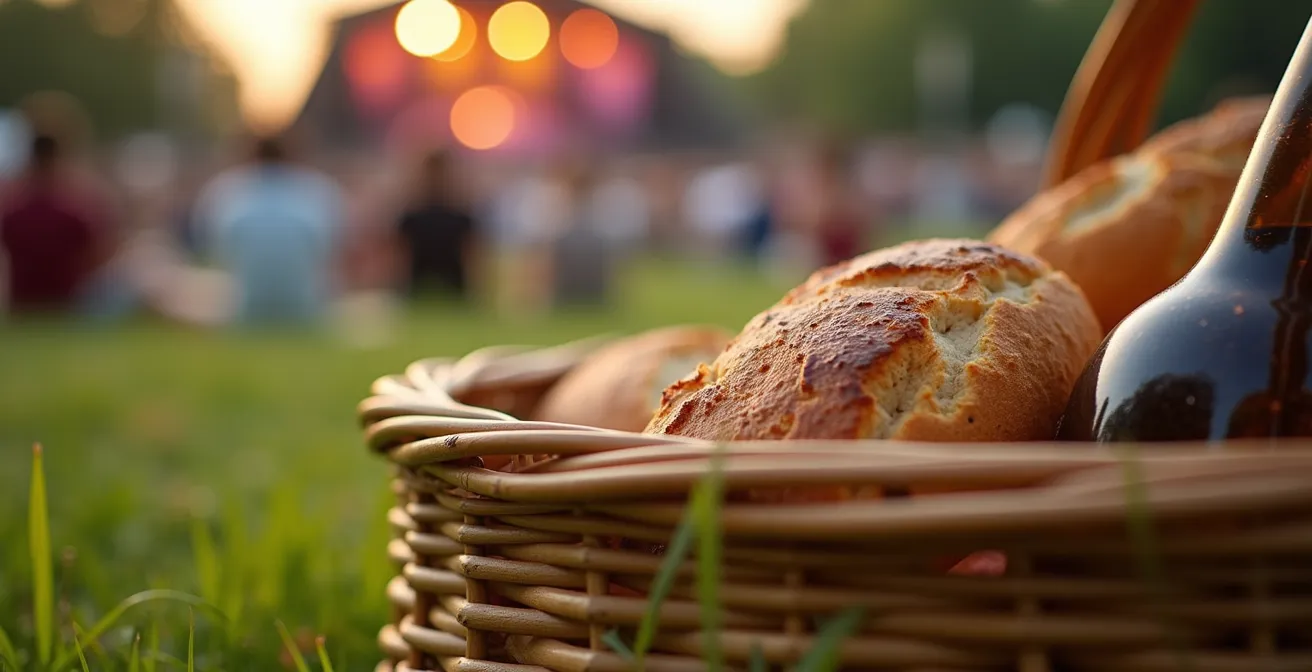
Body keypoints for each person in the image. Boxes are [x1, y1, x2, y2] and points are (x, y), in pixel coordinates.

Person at [192, 135, 344, 327]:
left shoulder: (226, 190)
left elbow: (215, 252)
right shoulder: (318, 190)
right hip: (307, 308)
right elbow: (331, 252)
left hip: (243, 309)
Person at [1, 133, 118, 316]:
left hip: (22, 305)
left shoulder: (12, 212)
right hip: (67, 304)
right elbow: (100, 255)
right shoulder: (75, 211)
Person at [393, 149, 481, 301]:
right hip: (420, 288)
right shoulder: (412, 217)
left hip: (452, 290)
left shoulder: (462, 217)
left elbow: (472, 256)